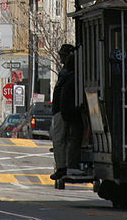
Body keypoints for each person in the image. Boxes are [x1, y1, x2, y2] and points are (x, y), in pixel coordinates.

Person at [50, 44, 83, 181]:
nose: (61, 58)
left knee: (61, 139)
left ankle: (64, 167)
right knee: (60, 140)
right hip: (61, 110)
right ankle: (63, 166)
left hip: (64, 111)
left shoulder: (72, 71)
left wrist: (65, 110)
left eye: (64, 55)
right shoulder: (67, 70)